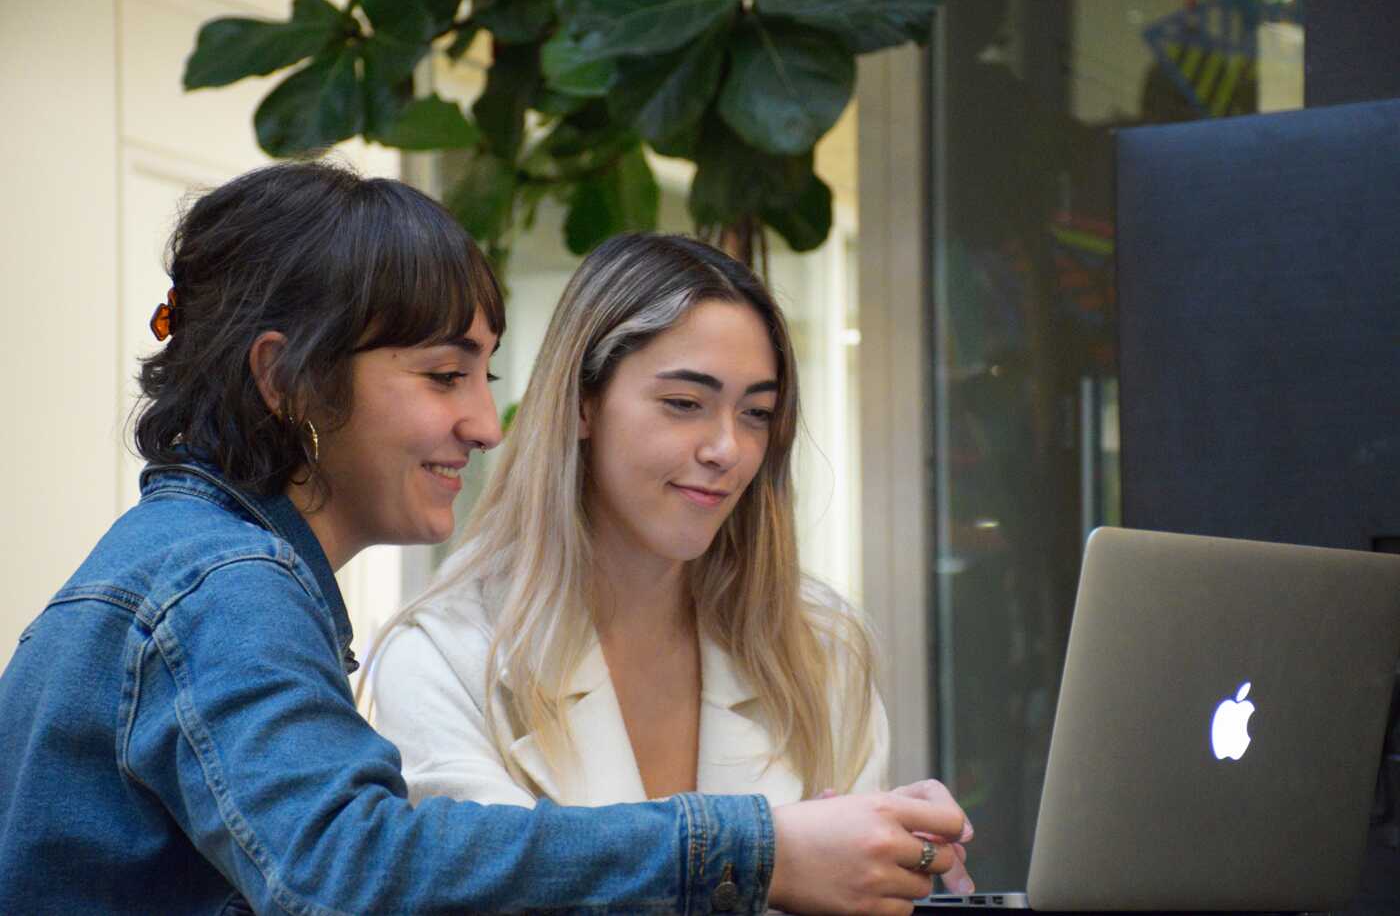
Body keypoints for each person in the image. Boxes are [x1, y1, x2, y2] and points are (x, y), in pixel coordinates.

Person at [0, 162, 971, 915]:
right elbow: (357, 875)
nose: (486, 424)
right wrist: (760, 849)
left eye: (485, 378)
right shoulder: (221, 585)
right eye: (441, 375)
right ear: (286, 380)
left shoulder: (197, 567)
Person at [367, 233, 972, 892]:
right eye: (685, 404)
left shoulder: (820, 649)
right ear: (582, 403)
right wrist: (773, 860)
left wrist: (896, 857)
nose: (728, 448)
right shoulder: (444, 657)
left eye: (757, 414)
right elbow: (489, 895)